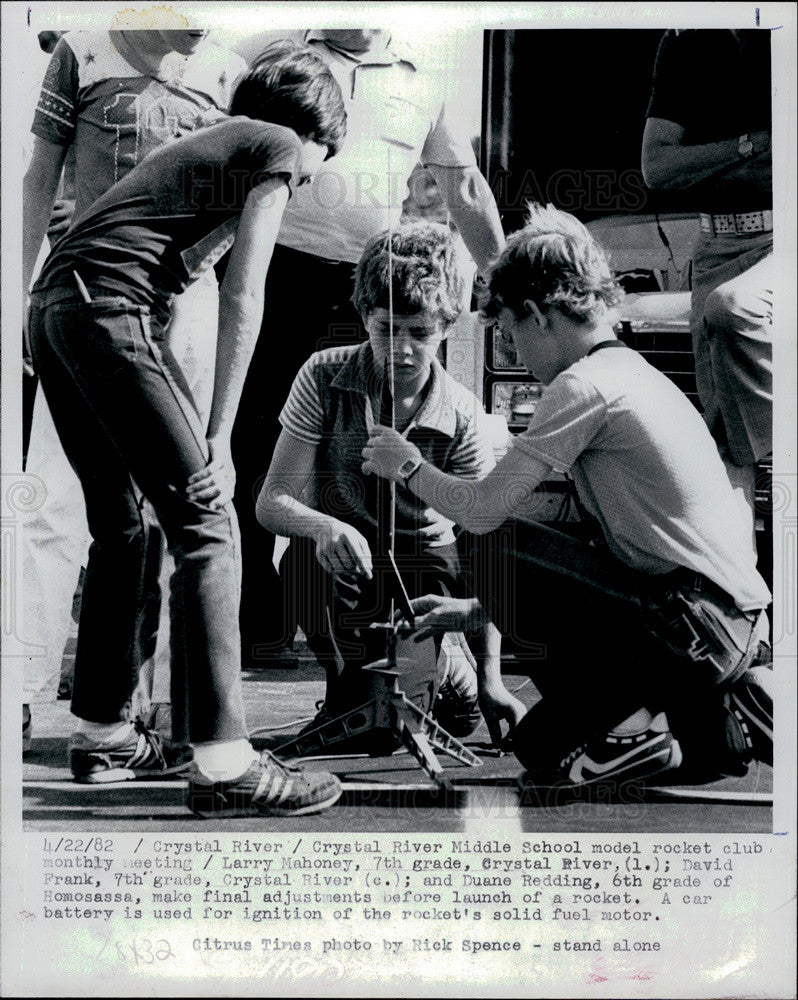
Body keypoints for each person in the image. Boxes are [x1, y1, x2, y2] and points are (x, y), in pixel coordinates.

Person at [27, 41, 348, 816]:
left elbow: (150, 279)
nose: (304, 179)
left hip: (57, 307)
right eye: (316, 164)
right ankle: (225, 761)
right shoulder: (270, 143)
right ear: (308, 131)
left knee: (124, 524)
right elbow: (247, 297)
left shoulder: (198, 149)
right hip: (105, 306)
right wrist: (219, 435)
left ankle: (104, 733)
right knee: (207, 519)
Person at [362, 204, 773, 792]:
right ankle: (723, 716)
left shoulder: (582, 386)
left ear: (537, 316)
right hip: (726, 624)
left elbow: (481, 511)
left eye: (509, 334)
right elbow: (620, 550)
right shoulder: (633, 372)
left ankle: (628, 734)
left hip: (687, 624)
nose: (517, 355)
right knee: (558, 746)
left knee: (491, 546)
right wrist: (476, 612)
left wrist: (407, 466)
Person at [232, 29, 505, 666]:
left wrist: (514, 283)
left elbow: (463, 188)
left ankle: (370, 622)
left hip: (369, 288)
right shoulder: (267, 51)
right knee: (251, 444)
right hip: (269, 268)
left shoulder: (422, 71)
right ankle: (253, 626)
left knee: (361, 452)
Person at [22, 27, 247, 750]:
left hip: (186, 300)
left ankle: (179, 714)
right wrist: (18, 297)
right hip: (90, 294)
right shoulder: (83, 51)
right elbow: (39, 176)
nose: (199, 23)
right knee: (59, 500)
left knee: (186, 503)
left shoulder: (227, 70)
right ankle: (19, 688)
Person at [256, 222, 514, 744]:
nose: (400, 350)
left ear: (446, 325)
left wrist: (493, 681)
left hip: (423, 566)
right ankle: (345, 692)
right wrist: (323, 526)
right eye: (385, 329)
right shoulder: (322, 375)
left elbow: (489, 542)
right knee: (304, 563)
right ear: (363, 317)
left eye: (419, 332)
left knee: (393, 726)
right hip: (347, 555)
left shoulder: (462, 411)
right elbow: (271, 502)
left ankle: (454, 677)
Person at [641, 29, 772, 549]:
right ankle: (743, 602)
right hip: (714, 245)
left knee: (731, 308)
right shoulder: (686, 43)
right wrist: (751, 146)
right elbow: (658, 166)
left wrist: (710, 159)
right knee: (725, 447)